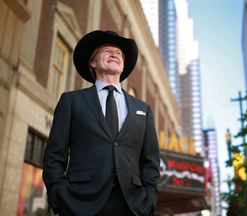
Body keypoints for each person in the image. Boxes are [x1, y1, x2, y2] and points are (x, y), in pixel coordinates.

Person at [42, 30, 160, 216]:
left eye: (119, 53)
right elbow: (54, 155)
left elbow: (151, 161)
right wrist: (59, 194)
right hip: (79, 203)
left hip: (133, 205)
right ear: (93, 62)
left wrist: (149, 198)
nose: (114, 54)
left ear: (123, 65)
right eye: (107, 51)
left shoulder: (143, 109)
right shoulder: (71, 101)